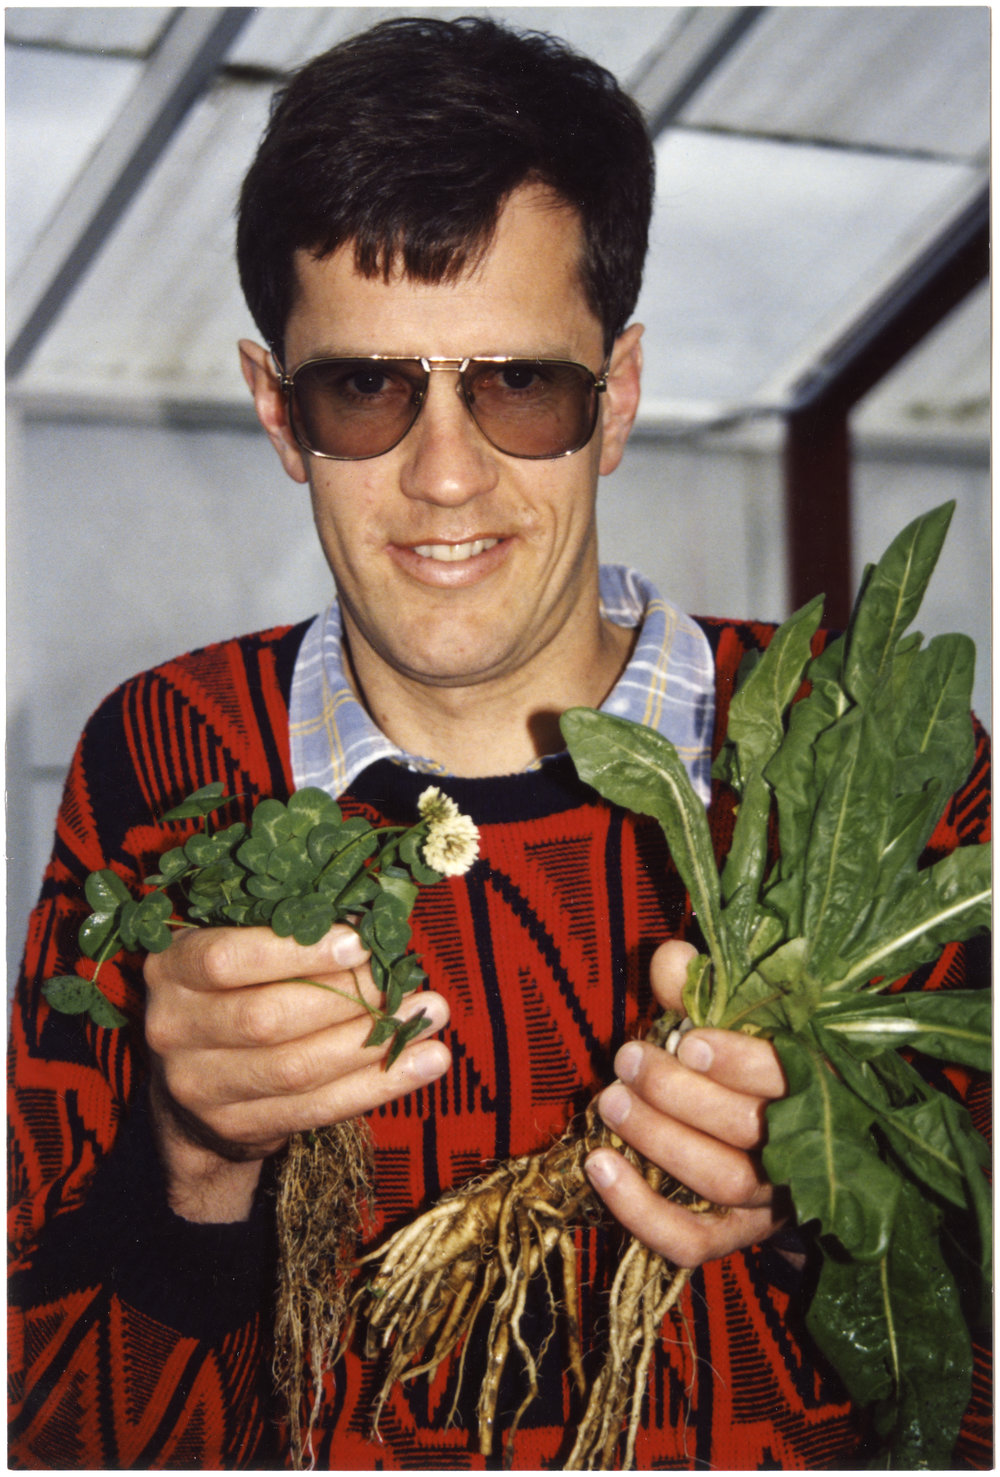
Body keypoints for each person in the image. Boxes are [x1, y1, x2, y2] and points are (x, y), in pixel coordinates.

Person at [8, 16, 990, 1471]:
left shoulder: (874, 759)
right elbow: (50, 1408)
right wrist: (194, 1166)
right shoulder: (162, 760)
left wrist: (829, 1208)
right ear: (278, 410)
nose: (446, 472)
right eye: (368, 387)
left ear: (622, 398)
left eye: (519, 384)